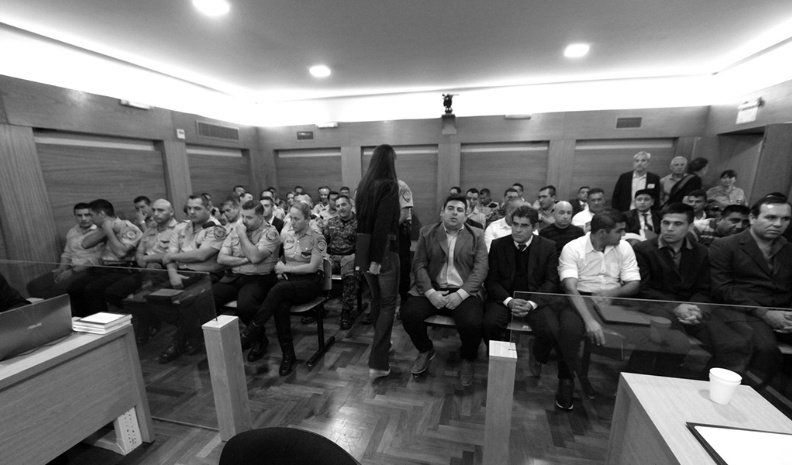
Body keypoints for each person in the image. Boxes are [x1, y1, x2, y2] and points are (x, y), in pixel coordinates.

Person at [632, 203, 750, 376]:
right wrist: (676, 306)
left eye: (677, 224)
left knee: (733, 344)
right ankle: (657, 381)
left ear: (690, 226)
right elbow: (643, 289)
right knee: (675, 342)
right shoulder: (643, 249)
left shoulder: (701, 252)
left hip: (693, 309)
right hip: (658, 306)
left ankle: (705, 382)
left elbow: (704, 288)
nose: (669, 228)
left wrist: (697, 308)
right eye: (666, 223)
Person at [401, 195, 488, 389]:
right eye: (450, 208)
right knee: (408, 314)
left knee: (473, 323)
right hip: (432, 288)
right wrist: (431, 293)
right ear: (442, 212)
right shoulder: (427, 232)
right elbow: (419, 265)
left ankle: (468, 358)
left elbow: (481, 269)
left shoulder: (477, 235)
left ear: (466, 215)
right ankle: (425, 349)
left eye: (459, 210)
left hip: (464, 291)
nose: (454, 213)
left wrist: (460, 294)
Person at [558, 209, 640, 410]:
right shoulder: (573, 248)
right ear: (603, 232)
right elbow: (570, 288)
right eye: (619, 231)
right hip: (580, 297)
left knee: (643, 332)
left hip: (614, 297)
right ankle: (566, 380)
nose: (623, 235)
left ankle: (632, 384)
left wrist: (613, 293)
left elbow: (634, 282)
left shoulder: (624, 247)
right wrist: (589, 320)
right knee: (569, 331)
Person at [484, 206, 567, 400]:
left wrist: (531, 303)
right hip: (505, 298)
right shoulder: (498, 245)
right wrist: (509, 301)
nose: (518, 230)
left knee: (551, 330)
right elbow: (491, 280)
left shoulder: (547, 246)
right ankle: (497, 359)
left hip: (534, 299)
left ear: (534, 227)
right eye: (515, 224)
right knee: (489, 324)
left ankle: (537, 354)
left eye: (524, 226)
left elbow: (551, 282)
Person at [709, 194, 792, 385]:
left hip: (783, 312)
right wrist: (765, 313)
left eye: (785, 219)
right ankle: (751, 393)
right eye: (771, 217)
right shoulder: (725, 245)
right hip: (742, 311)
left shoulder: (788, 249)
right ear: (753, 218)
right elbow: (723, 289)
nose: (778, 224)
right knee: (764, 349)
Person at [240, 201, 326, 376]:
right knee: (280, 306)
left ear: (307, 219)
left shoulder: (317, 238)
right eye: (290, 218)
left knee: (278, 290)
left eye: (297, 219)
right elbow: (280, 259)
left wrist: (285, 269)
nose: (292, 222)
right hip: (290, 282)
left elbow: (312, 267)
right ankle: (288, 355)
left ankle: (252, 329)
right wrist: (282, 268)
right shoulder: (287, 235)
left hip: (310, 283)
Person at [157, 194, 226, 363]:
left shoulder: (216, 229)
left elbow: (202, 255)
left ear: (208, 208)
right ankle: (192, 331)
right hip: (180, 273)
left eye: (197, 208)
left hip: (205, 275)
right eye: (189, 208)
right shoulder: (181, 228)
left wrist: (173, 257)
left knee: (186, 302)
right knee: (154, 298)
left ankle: (179, 341)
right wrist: (173, 274)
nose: (192, 212)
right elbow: (169, 256)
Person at [355, 144, 401, 379]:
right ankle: (379, 362)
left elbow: (362, 223)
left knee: (376, 300)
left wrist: (369, 257)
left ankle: (383, 345)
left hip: (363, 248)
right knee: (388, 304)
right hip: (382, 252)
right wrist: (377, 259)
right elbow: (382, 224)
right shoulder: (389, 185)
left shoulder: (363, 186)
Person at [213, 201, 281, 362]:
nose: (244, 221)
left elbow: (256, 257)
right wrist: (245, 260)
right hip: (235, 277)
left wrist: (243, 235)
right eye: (242, 216)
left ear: (260, 216)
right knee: (208, 297)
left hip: (260, 278)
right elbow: (221, 258)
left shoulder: (270, 233)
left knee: (246, 306)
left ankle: (259, 339)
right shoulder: (237, 229)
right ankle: (219, 339)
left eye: (249, 217)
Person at [69, 199, 143, 316]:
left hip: (124, 269)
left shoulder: (127, 227)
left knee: (93, 289)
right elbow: (85, 244)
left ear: (101, 214)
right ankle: (83, 321)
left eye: (91, 215)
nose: (90, 219)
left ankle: (102, 322)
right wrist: (105, 230)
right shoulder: (101, 228)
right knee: (74, 288)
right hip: (105, 268)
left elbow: (121, 253)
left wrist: (109, 231)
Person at [27, 203, 104, 299]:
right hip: (71, 267)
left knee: (58, 289)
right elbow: (67, 253)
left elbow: (98, 258)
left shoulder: (100, 231)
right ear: (75, 216)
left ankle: (60, 306)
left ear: (92, 215)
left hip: (89, 269)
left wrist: (72, 272)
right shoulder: (72, 231)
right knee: (33, 285)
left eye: (87, 215)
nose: (83, 218)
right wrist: (61, 268)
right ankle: (53, 306)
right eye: (79, 215)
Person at [321, 194, 359, 329]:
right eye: (337, 206)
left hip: (351, 257)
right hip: (333, 257)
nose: (340, 208)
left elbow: (363, 246)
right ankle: (318, 307)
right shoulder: (331, 222)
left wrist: (354, 256)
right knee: (317, 270)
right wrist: (324, 254)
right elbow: (323, 241)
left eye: (343, 204)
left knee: (350, 275)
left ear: (350, 205)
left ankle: (346, 312)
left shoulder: (359, 222)